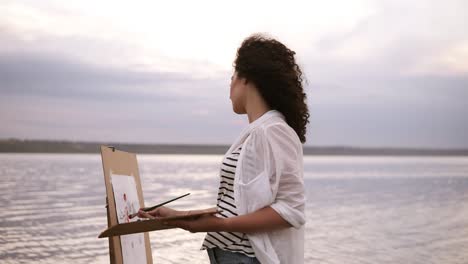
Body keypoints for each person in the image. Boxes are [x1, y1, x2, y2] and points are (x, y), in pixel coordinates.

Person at [138, 33, 310, 264]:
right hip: (232, 255)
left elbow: (292, 210)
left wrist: (220, 225)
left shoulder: (273, 130)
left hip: (247, 258)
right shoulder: (257, 132)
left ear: (246, 78)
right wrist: (181, 216)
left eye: (232, 77)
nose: (229, 86)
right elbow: (247, 205)